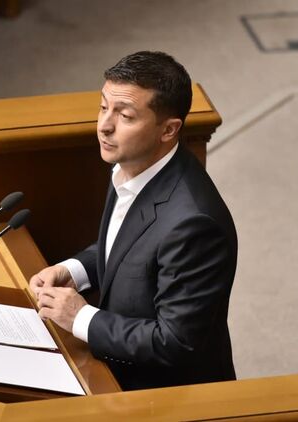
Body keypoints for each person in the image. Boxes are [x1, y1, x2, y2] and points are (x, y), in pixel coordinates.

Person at [30, 51, 238, 390]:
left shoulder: (195, 225)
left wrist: (81, 317)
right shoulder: (131, 166)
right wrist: (74, 271)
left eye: (125, 115)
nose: (104, 125)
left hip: (164, 393)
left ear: (168, 130)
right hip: (116, 366)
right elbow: (129, 245)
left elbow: (175, 342)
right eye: (103, 107)